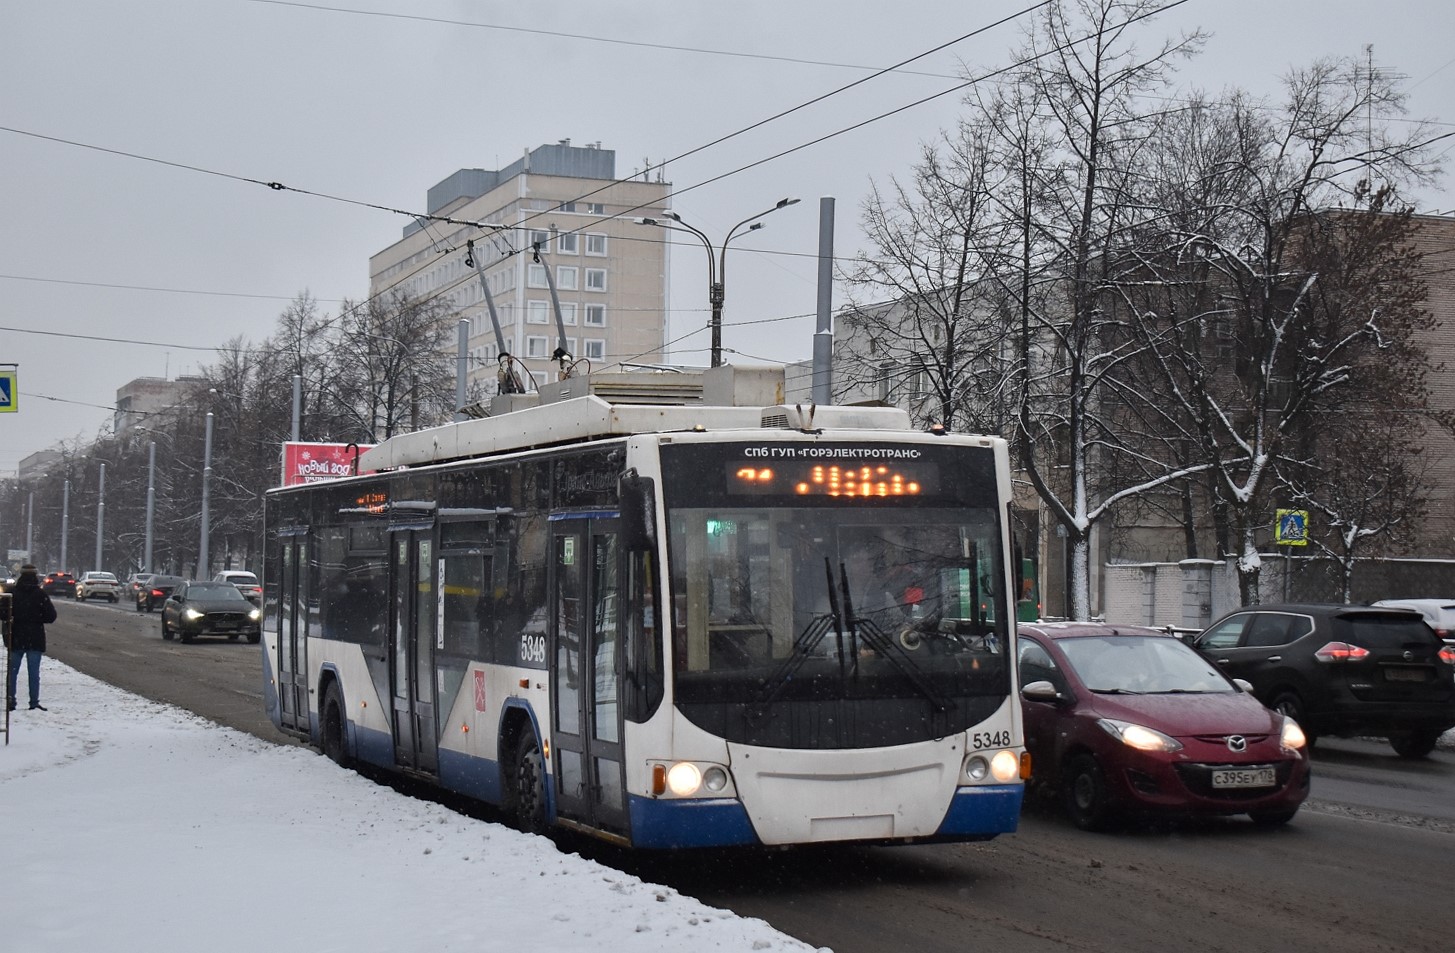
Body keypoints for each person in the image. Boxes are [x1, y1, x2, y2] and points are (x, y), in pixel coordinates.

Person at [6, 564, 58, 712]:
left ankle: (11, 701)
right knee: (34, 673)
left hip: (16, 636)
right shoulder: (40, 594)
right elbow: (51, 616)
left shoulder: (13, 593)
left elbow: (2, 613)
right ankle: (33, 702)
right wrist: (37, 618)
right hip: (35, 637)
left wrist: (16, 617)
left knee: (13, 672)